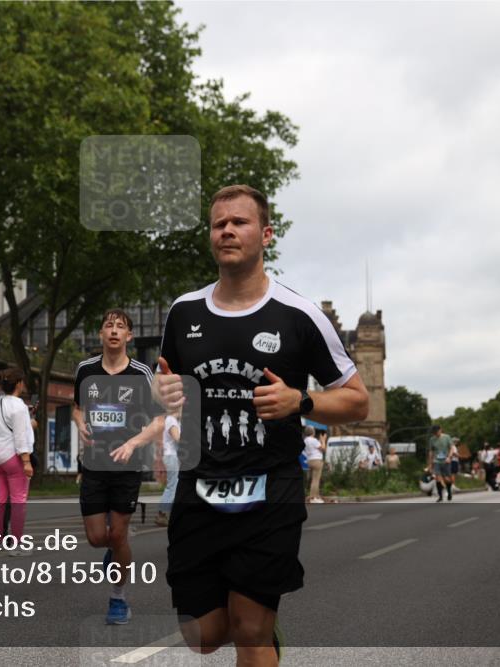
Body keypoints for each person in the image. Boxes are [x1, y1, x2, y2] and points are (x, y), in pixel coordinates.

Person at [153, 184, 369, 664]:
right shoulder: (184, 311)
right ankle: (265, 634)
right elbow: (165, 384)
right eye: (218, 224)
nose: (227, 230)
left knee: (249, 627)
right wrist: (163, 393)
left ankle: (260, 630)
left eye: (240, 222)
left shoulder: (299, 315)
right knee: (203, 636)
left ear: (266, 233)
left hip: (271, 485)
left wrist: (301, 400)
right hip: (200, 486)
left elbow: (358, 401)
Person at [73, 308, 163, 625]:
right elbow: (76, 407)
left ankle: (118, 598)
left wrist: (133, 443)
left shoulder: (141, 374)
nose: (114, 330)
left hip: (128, 465)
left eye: (120, 326)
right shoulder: (85, 370)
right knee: (99, 538)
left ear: (129, 336)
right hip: (95, 463)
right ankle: (113, 549)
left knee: (119, 534)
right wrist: (81, 423)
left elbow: (159, 420)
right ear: (100, 334)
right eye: (108, 325)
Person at [0, 368, 34, 552]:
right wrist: (27, 461)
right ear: (19, 383)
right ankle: (17, 544)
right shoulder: (19, 405)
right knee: (18, 500)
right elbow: (21, 437)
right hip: (13, 457)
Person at [156, 411, 182, 527]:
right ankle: (162, 514)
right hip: (171, 456)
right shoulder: (172, 420)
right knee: (172, 485)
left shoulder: (172, 420)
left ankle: (165, 513)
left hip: (170, 455)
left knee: (174, 484)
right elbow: (177, 438)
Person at [427, 425, 454, 502]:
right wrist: (430, 463)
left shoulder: (447, 437)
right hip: (436, 461)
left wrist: (449, 457)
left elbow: (451, 447)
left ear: (440, 430)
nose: (436, 434)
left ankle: (449, 491)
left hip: (446, 460)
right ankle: (440, 496)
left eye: (437, 432)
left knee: (447, 479)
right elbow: (431, 451)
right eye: (434, 433)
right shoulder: (432, 439)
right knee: (438, 478)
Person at [302, 426, 325, 503]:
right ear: (313, 432)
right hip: (316, 460)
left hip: (310, 460)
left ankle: (315, 496)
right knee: (316, 480)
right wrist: (323, 440)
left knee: (313, 479)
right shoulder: (314, 440)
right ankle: (314, 498)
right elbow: (323, 448)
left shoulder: (305, 440)